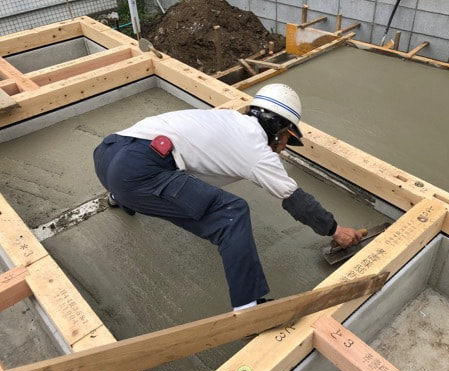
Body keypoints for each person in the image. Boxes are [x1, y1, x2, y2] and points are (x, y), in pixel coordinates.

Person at [93, 83, 365, 311]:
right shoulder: (256, 148)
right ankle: (248, 308)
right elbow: (293, 197)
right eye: (286, 138)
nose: (284, 148)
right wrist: (335, 230)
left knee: (178, 182)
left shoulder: (229, 121)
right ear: (276, 127)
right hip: (136, 174)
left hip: (107, 153)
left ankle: (119, 198)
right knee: (231, 213)